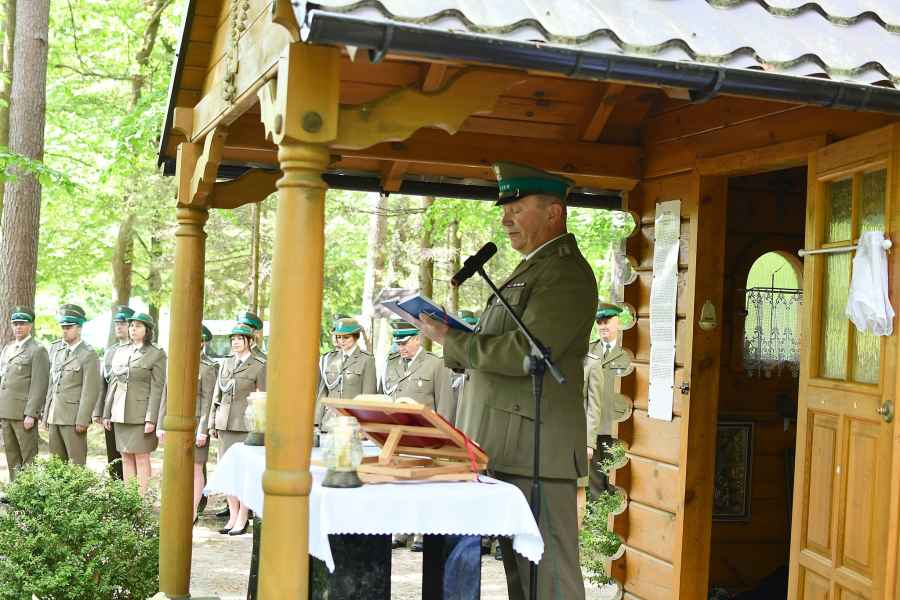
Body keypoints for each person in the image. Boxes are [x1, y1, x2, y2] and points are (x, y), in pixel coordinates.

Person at [415, 161, 597, 600]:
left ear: (553, 213)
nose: (505, 220)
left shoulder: (564, 273)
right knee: (521, 574)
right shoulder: (533, 268)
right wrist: (455, 338)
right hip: (508, 442)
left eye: (516, 209)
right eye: (505, 211)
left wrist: (453, 340)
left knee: (549, 576)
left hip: (538, 447)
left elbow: (528, 350)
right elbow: (499, 344)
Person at [382, 319, 455, 552]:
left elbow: (445, 403)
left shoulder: (435, 364)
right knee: (399, 484)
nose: (400, 347)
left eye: (404, 342)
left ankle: (421, 531)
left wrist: (443, 437)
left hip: (425, 437)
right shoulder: (391, 363)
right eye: (398, 343)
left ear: (417, 339)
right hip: (397, 436)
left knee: (423, 486)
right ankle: (401, 529)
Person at [209, 323, 266, 536]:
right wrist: (212, 422)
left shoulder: (259, 365)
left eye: (240, 339)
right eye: (232, 339)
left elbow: (263, 399)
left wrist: (259, 428)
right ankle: (232, 516)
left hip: (246, 426)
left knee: (244, 473)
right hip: (225, 424)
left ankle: (243, 516)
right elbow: (217, 396)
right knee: (227, 471)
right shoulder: (225, 363)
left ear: (249, 341)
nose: (235, 342)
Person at [157, 324, 218, 523]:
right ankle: (177, 506)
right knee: (176, 466)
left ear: (202, 343)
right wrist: (161, 424)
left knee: (196, 467)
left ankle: (192, 511)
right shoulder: (175, 362)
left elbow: (208, 400)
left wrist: (203, 430)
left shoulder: (208, 367)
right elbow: (166, 394)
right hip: (176, 424)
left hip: (197, 423)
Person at [102, 312, 166, 496]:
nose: (133, 329)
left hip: (141, 414)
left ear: (148, 330)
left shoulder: (156, 354)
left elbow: (158, 388)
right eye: (131, 326)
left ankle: (141, 499)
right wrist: (107, 412)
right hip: (120, 413)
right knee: (125, 456)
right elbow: (114, 383)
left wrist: (151, 418)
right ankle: (130, 500)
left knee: (141, 457)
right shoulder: (121, 351)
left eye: (138, 326)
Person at [43, 304, 100, 465]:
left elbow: (90, 390)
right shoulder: (57, 351)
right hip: (55, 415)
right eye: (63, 327)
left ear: (79, 328)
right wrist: (46, 414)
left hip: (73, 418)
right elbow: (52, 385)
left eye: (68, 327)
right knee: (55, 464)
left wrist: (83, 419)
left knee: (76, 464)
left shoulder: (88, 354)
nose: (64, 331)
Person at [584, 302, 628, 501]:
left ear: (617, 321)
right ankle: (597, 517)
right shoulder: (588, 351)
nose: (603, 326)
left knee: (617, 482)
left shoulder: (628, 352)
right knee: (595, 485)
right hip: (593, 429)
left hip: (618, 427)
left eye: (607, 321)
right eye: (599, 322)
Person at [0, 306, 50, 480]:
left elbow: (39, 384)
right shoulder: (8, 348)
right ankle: (15, 489)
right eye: (15, 324)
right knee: (11, 454)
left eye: (22, 323)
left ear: (30, 325)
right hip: (6, 411)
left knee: (28, 456)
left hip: (23, 413)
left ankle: (29, 490)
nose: (18, 327)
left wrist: (32, 413)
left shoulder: (37, 350)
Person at [315, 316, 377, 430]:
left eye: (346, 337)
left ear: (356, 336)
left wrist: (366, 427)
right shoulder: (329, 359)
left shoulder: (367, 359)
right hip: (329, 422)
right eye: (338, 337)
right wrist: (316, 422)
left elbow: (368, 396)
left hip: (353, 423)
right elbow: (322, 393)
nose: (341, 341)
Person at [95, 304, 134, 479]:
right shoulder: (110, 352)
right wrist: (99, 412)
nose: (119, 326)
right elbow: (103, 384)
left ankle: (131, 491)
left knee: (130, 454)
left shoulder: (137, 350)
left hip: (130, 410)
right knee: (113, 454)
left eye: (123, 323)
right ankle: (115, 488)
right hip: (110, 410)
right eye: (117, 323)